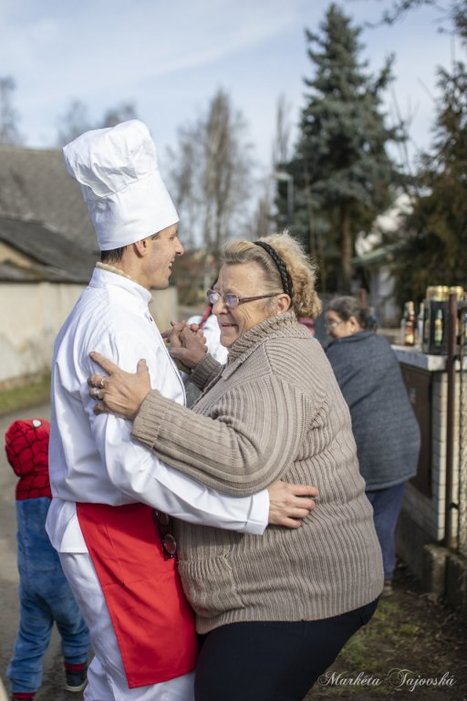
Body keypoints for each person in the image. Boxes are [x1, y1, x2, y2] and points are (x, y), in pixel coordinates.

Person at [46, 120, 317, 701]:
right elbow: (130, 467)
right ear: (141, 242)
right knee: (160, 687)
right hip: (115, 531)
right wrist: (251, 507)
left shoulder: (122, 311)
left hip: (126, 529)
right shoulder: (115, 326)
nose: (180, 249)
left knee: (124, 681)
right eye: (171, 237)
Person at [88, 232, 384, 701]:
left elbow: (246, 459)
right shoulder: (265, 349)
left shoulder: (280, 359)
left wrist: (145, 407)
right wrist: (203, 367)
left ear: (279, 304)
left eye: (233, 298)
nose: (218, 308)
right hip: (276, 587)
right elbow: (252, 405)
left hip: (299, 593)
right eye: (217, 294)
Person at [324, 295, 421, 596]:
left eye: (332, 323)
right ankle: (385, 576)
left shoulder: (337, 355)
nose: (328, 329)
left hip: (371, 449)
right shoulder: (382, 346)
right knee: (385, 517)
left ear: (353, 322)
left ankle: (365, 580)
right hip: (403, 444)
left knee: (361, 519)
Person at [4, 418, 90, 701]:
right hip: (61, 580)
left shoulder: (22, 490)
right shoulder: (58, 485)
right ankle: (76, 678)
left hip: (31, 582)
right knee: (75, 627)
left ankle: (22, 691)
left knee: (30, 638)